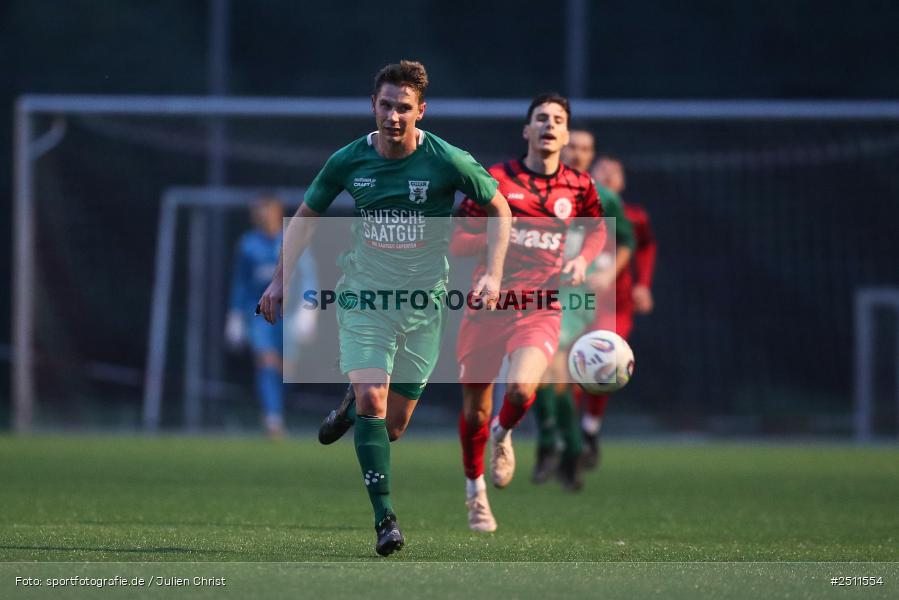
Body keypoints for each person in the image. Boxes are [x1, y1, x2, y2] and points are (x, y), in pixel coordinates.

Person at [256, 60, 511, 556]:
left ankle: (351, 405)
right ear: (373, 105)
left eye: (405, 108)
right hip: (364, 297)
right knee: (376, 396)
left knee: (391, 426)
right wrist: (279, 280)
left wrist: (494, 272)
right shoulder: (348, 160)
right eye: (387, 106)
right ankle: (385, 520)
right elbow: (306, 218)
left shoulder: (448, 160)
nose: (394, 116)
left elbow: (499, 207)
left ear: (421, 111)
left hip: (423, 305)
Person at [451, 94, 606, 531]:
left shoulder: (579, 186)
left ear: (566, 133)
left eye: (558, 120)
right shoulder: (495, 180)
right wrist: (501, 235)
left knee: (520, 390)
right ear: (527, 130)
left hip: (540, 305)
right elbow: (456, 239)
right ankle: (474, 492)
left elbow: (595, 230)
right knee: (475, 411)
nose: (549, 126)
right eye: (541, 119)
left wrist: (582, 260)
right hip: (488, 305)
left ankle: (504, 435)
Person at [531, 131, 636, 491]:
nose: (578, 154)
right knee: (541, 376)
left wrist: (608, 271)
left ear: (592, 156)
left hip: (575, 295)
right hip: (536, 290)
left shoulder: (603, 197)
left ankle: (560, 448)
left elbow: (627, 240)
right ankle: (559, 447)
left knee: (554, 371)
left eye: (586, 149)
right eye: (572, 146)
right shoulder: (538, 190)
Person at [578, 156, 656, 468]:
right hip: (576, 304)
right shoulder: (577, 214)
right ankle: (567, 436)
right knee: (569, 371)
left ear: (622, 183)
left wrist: (644, 285)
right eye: (602, 170)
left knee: (605, 363)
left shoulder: (635, 217)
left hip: (617, 305)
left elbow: (647, 246)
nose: (609, 174)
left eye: (616, 171)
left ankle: (589, 430)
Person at [226, 195, 317, 438]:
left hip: (289, 313)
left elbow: (308, 277)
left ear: (277, 212)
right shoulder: (247, 244)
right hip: (258, 315)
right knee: (266, 361)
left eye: (267, 210)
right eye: (258, 211)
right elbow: (241, 283)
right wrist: (235, 315)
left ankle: (279, 409)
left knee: (286, 368)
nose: (262, 215)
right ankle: (273, 419)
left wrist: (310, 312)